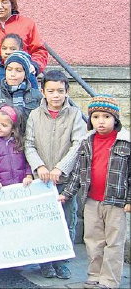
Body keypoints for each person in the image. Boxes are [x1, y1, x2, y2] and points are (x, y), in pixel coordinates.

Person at [60, 95, 130, 289]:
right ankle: (94, 275)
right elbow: (77, 172)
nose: (101, 121)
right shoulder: (87, 141)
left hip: (115, 201)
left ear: (115, 119)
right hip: (91, 200)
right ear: (90, 119)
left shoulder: (125, 142)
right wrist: (67, 193)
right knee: (93, 240)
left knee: (114, 242)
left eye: (106, 117)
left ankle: (109, 280)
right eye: (96, 116)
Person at [25, 70, 86, 279]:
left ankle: (62, 261)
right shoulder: (34, 115)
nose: (56, 95)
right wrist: (39, 167)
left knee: (67, 220)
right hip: (42, 181)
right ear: (43, 91)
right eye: (51, 91)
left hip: (64, 180)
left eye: (60, 91)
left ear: (67, 91)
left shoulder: (75, 115)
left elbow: (78, 144)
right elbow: (29, 144)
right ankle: (45, 262)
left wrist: (61, 167)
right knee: (43, 222)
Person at [0, 50, 42, 125]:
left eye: (18, 70)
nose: (13, 74)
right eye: (9, 69)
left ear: (25, 74)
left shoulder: (36, 96)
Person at [0, 105, 33, 190]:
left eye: (4, 125)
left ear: (13, 129)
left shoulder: (19, 142)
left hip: (21, 188)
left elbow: (27, 162)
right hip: (0, 190)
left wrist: (29, 176)